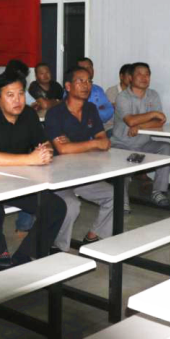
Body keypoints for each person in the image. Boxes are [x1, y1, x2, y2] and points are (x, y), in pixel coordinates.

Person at [0, 70, 66, 266]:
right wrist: (31, 158)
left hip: (20, 180)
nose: (17, 100)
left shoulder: (28, 114)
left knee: (56, 206)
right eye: (10, 95)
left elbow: (45, 143)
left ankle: (25, 255)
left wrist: (46, 151)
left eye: (21, 94)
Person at [45, 67, 115, 248]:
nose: (86, 85)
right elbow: (63, 149)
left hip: (83, 171)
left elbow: (104, 141)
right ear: (68, 86)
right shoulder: (55, 113)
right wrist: (91, 144)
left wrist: (75, 146)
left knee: (114, 195)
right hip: (59, 175)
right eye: (81, 81)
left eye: (89, 81)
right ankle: (58, 248)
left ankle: (95, 235)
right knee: (71, 205)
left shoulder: (90, 109)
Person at [110, 62, 170, 206]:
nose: (144, 78)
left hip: (144, 144)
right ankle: (122, 202)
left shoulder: (153, 95)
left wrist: (141, 126)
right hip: (121, 145)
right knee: (123, 163)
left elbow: (160, 122)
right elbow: (130, 120)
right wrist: (153, 113)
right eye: (139, 74)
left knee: (166, 148)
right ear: (130, 78)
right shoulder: (122, 97)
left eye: (147, 74)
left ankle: (158, 191)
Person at [75, 57, 114, 125]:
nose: (87, 70)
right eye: (83, 68)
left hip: (97, 129)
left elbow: (109, 110)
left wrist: (90, 113)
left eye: (89, 67)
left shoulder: (98, 89)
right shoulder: (71, 89)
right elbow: (75, 114)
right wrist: (98, 109)